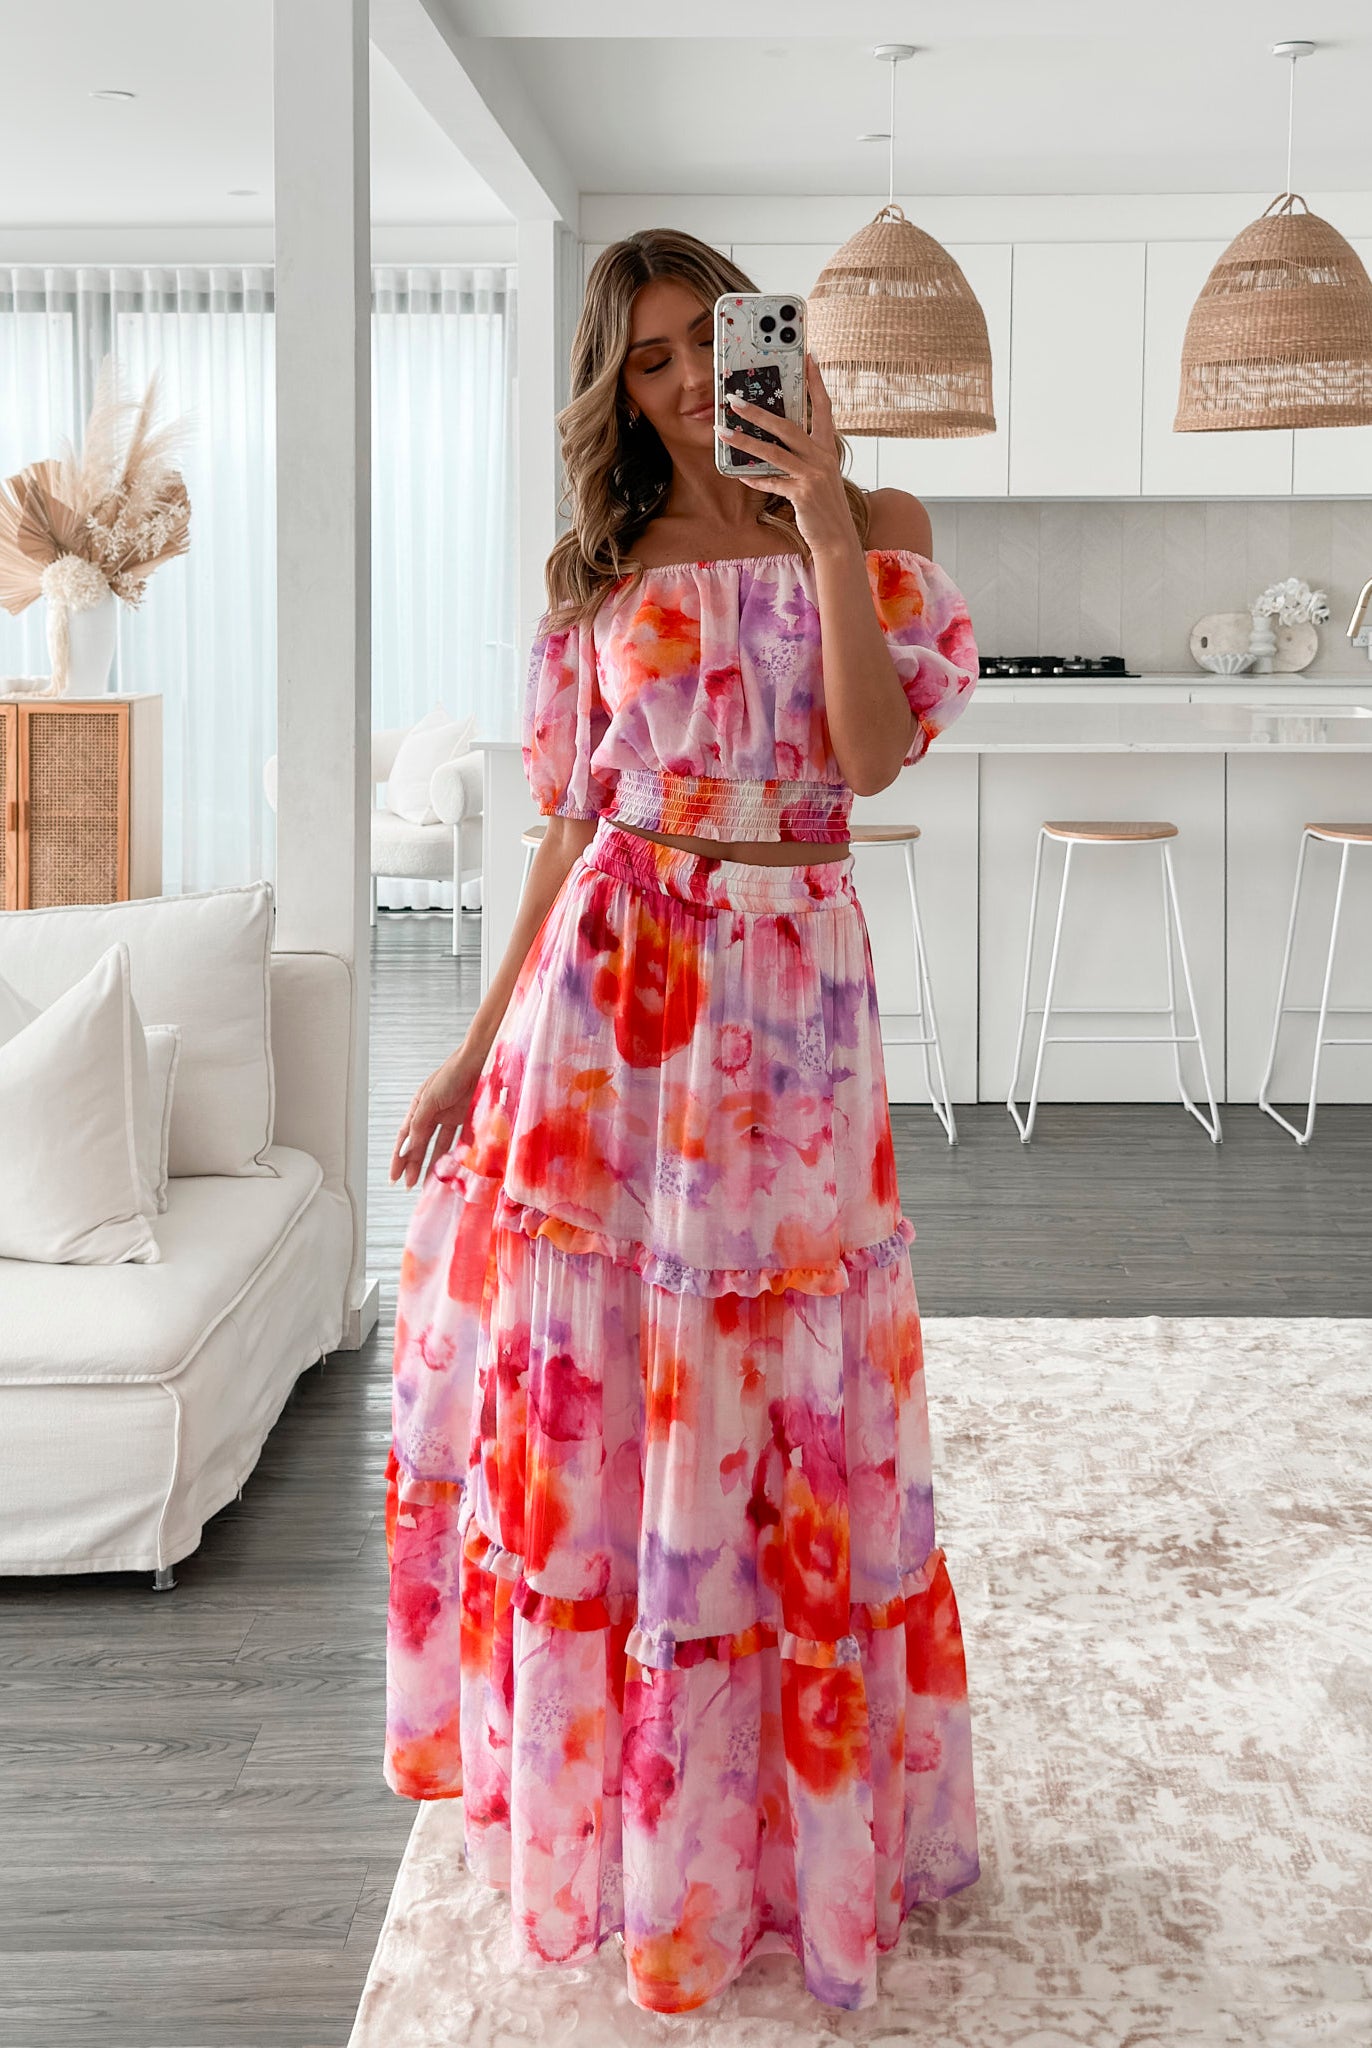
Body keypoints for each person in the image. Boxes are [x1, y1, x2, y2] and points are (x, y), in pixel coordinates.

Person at [383, 227, 981, 2016]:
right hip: (614, 997)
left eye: (697, 348)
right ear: (616, 389)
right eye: (640, 365)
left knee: (796, 1398)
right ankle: (640, 1844)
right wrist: (469, 1048)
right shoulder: (600, 564)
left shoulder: (882, 537)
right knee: (615, 1390)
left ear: (761, 344)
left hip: (795, 1002)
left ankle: (787, 1839)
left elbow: (866, 768)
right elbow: (569, 821)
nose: (673, 390)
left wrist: (819, 520)